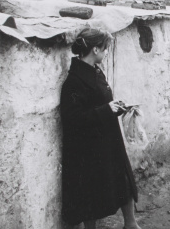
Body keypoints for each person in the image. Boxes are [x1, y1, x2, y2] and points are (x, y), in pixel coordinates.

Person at [60, 28, 141, 229]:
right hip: (91, 147)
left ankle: (130, 224)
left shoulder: (96, 71)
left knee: (123, 179)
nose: (106, 53)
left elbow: (101, 102)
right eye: (104, 49)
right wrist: (106, 110)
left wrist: (117, 108)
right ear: (95, 49)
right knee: (91, 193)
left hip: (109, 139)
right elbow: (72, 118)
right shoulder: (74, 81)